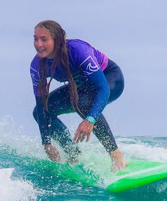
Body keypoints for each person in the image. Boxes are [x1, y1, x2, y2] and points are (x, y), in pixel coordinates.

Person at [30, 20, 127, 172]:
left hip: (110, 79)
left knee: (83, 103)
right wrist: (46, 142)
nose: (38, 44)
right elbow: (42, 105)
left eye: (44, 39)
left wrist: (90, 120)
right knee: (39, 111)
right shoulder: (37, 66)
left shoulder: (78, 51)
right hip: (81, 87)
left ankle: (116, 155)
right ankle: (73, 153)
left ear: (56, 39)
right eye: (36, 39)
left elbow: (102, 88)